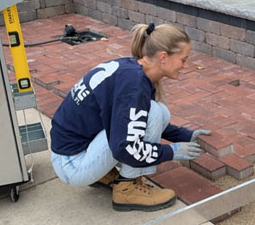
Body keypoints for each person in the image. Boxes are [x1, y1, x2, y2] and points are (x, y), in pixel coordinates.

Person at [49, 22, 211, 212]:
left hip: (70, 152)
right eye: (183, 59)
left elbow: (135, 119)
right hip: (73, 165)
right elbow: (126, 147)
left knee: (156, 111)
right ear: (163, 57)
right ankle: (128, 187)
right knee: (154, 113)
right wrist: (171, 151)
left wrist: (184, 136)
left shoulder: (130, 70)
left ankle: (105, 173)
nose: (185, 65)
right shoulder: (133, 87)